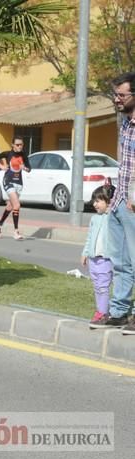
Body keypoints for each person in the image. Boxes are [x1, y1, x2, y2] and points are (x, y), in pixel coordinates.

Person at [91, 72, 135, 332]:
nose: (117, 99)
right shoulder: (126, 124)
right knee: (120, 261)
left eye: (122, 95)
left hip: (133, 202)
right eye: (116, 95)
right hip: (119, 200)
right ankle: (119, 312)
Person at [83, 186, 114, 328]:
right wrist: (85, 253)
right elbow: (89, 238)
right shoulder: (94, 219)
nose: (95, 204)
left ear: (109, 202)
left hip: (106, 259)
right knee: (97, 286)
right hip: (93, 259)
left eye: (99, 201)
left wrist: (111, 209)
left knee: (103, 287)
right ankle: (101, 310)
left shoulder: (112, 218)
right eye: (94, 201)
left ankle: (103, 312)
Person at [0, 137, 31, 240]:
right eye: (17, 145)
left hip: (19, 183)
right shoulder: (8, 154)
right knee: (17, 205)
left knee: (11, 206)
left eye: (21, 145)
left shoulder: (23, 155)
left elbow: (29, 169)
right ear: (12, 145)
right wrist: (2, 167)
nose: (20, 147)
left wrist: (25, 168)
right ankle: (16, 232)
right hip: (8, 181)